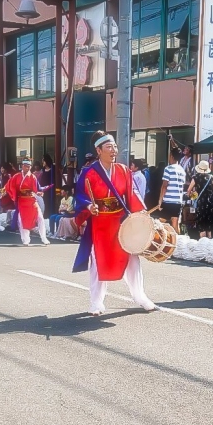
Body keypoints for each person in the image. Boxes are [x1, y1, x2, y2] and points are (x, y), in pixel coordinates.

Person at [72, 131, 156, 315]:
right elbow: (79, 195)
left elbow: (132, 193)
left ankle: (140, 295)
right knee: (98, 262)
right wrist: (88, 206)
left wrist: (141, 211)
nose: (113, 150)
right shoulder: (89, 172)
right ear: (98, 150)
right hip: (100, 223)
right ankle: (96, 302)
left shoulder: (124, 170)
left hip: (120, 222)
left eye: (115, 147)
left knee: (132, 258)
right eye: (109, 147)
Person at [7, 158, 50, 246]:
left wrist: (39, 192)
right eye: (26, 166)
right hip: (22, 200)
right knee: (21, 219)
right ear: (22, 166)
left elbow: (37, 188)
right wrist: (4, 191)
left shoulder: (32, 177)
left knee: (40, 217)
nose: (28, 168)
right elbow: (9, 185)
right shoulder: (17, 176)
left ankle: (44, 237)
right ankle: (25, 239)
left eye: (29, 166)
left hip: (31, 199)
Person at [185, 160, 213, 238]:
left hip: (201, 202)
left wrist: (191, 196)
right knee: (209, 225)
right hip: (211, 201)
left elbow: (189, 190)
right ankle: (209, 241)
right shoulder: (211, 177)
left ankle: (202, 242)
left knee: (202, 224)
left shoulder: (196, 177)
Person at [158, 148, 186, 233]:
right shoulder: (182, 170)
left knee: (160, 223)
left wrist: (160, 200)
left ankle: (161, 242)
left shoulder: (168, 169)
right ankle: (178, 243)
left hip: (168, 200)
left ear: (172, 156)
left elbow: (164, 186)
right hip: (178, 201)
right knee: (175, 223)